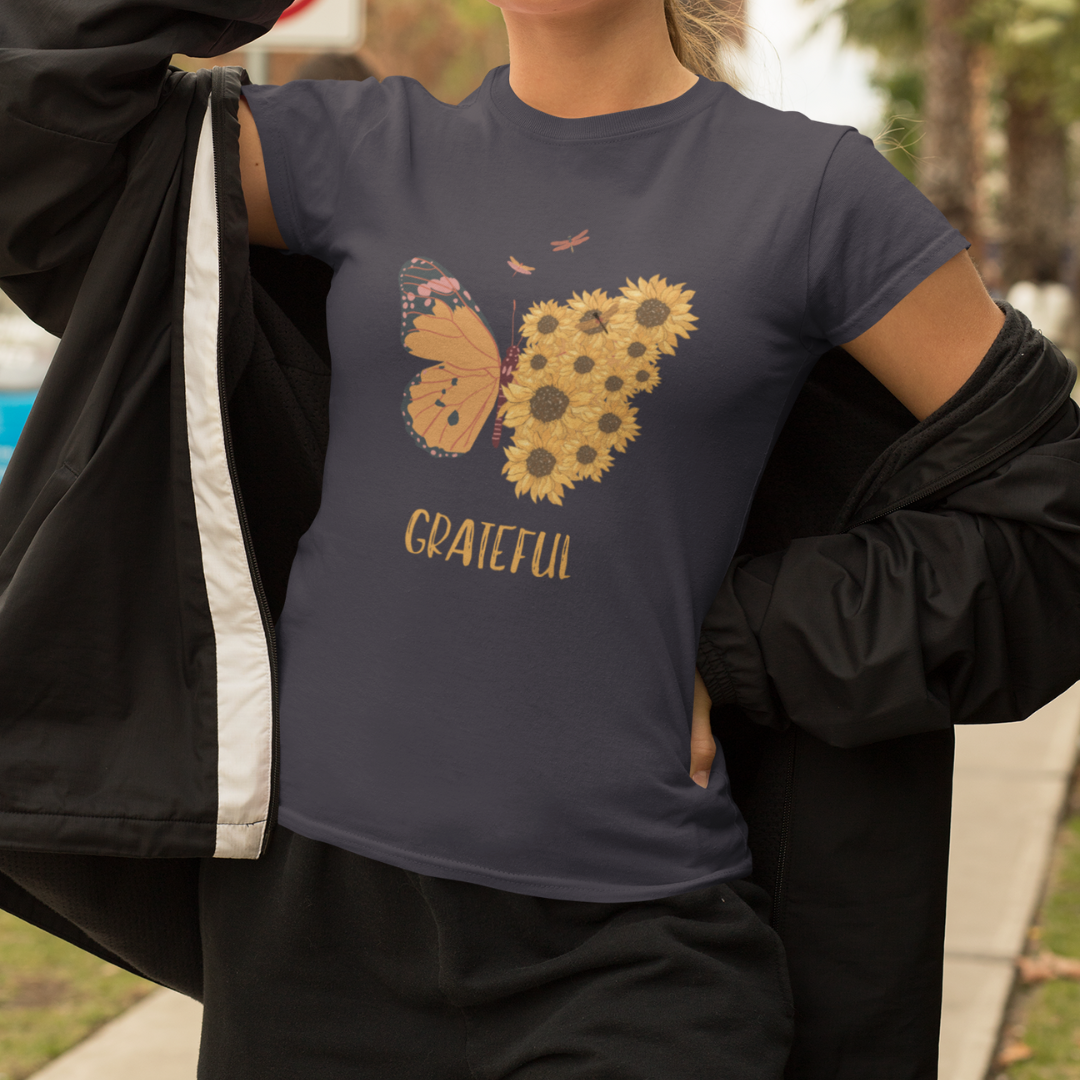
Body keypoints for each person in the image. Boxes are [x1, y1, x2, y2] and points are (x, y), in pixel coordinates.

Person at [0, 2, 1078, 1077]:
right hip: (306, 946)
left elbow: (1054, 515)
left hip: (627, 964)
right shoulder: (361, 148)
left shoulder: (815, 193)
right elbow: (30, 102)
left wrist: (748, 641)